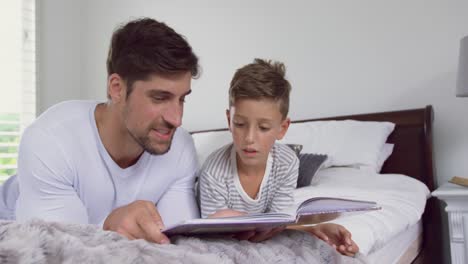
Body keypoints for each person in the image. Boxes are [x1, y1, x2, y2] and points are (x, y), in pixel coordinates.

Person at [0, 17, 200, 245]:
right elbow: (54, 249)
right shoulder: (50, 140)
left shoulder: (181, 147)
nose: (177, 118)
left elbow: (174, 244)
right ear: (117, 89)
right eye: (159, 98)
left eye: (182, 99)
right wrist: (108, 224)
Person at [198, 58, 359, 256]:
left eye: (264, 128)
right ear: (229, 120)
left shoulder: (287, 163)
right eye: (240, 124)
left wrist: (315, 228)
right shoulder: (213, 172)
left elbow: (277, 227)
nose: (249, 138)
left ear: (282, 129)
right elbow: (213, 237)